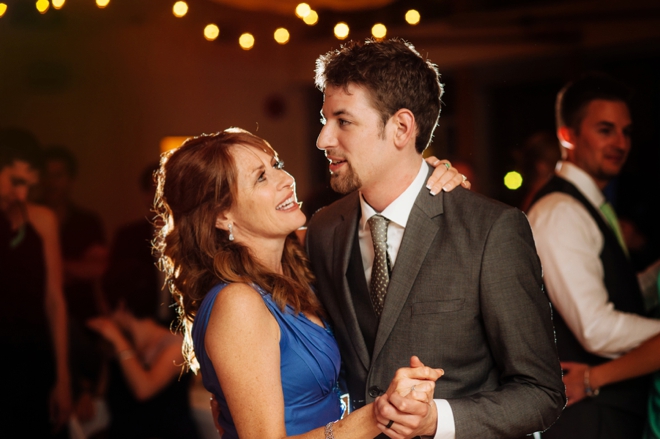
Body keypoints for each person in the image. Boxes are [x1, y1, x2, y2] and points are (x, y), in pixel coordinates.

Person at [306, 38, 565, 439]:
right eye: (325, 120)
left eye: (343, 121)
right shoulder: (323, 229)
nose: (323, 139)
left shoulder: (491, 230)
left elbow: (542, 393)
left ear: (402, 128)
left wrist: (436, 419)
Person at [153, 128, 465, 439]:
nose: (286, 179)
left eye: (276, 164)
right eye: (261, 177)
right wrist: (377, 415)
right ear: (221, 215)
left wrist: (419, 179)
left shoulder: (300, 270)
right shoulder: (238, 303)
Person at [527, 72, 660, 438]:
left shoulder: (591, 205)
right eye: (605, 130)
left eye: (626, 132)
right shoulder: (560, 210)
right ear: (567, 135)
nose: (620, 142)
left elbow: (621, 295)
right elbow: (596, 329)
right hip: (590, 420)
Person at [0, 128, 71, 436]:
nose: (21, 196)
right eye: (16, 182)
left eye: (29, 186)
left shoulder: (42, 219)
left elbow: (54, 301)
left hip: (33, 359)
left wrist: (64, 377)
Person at [86, 302, 200, 439]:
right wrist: (85, 395)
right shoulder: (120, 347)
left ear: (122, 307)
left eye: (108, 311)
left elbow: (143, 390)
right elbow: (101, 395)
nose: (105, 317)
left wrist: (117, 339)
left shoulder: (175, 346)